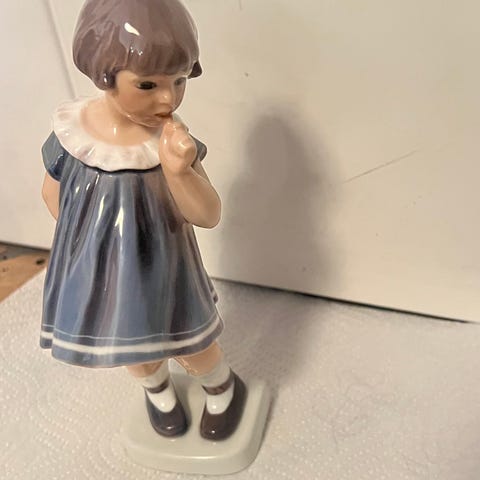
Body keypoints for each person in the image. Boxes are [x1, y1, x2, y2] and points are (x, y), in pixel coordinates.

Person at [40, 0, 245, 441]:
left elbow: (207, 214)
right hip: (111, 276)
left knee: (192, 344)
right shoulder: (73, 137)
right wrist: (87, 251)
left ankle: (222, 387)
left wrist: (179, 171)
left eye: (179, 81)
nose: (168, 98)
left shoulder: (170, 144)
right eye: (148, 84)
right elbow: (52, 194)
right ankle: (158, 392)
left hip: (167, 269)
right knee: (132, 345)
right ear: (105, 75)